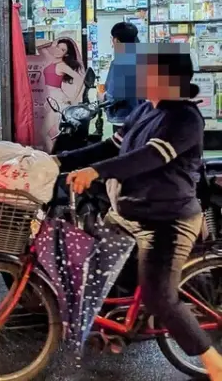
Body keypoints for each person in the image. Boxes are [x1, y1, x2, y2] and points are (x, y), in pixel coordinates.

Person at [57, 44, 222, 380]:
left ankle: (212, 361)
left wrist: (96, 172)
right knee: (95, 265)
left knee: (158, 295)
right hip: (131, 211)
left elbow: (146, 158)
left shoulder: (185, 118)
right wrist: (59, 160)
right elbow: (111, 146)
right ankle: (117, 330)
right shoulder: (147, 109)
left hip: (168, 220)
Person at [99, 22, 142, 131]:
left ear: (116, 40)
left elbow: (115, 95)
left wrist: (102, 97)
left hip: (123, 117)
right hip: (140, 114)